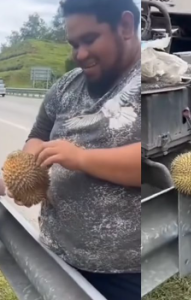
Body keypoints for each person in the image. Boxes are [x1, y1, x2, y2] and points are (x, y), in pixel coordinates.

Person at [5, 0, 141, 299]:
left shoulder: (152, 81)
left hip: (124, 274)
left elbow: (155, 162)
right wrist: (22, 173)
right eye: (73, 43)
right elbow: (38, 136)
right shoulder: (66, 86)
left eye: (90, 40)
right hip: (55, 254)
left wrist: (81, 158)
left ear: (126, 26)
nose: (79, 54)